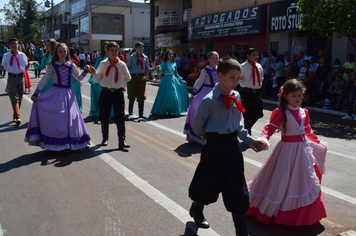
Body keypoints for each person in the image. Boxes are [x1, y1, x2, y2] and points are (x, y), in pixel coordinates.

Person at [188, 57, 265, 236]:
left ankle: (241, 230)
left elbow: (238, 125)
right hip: (214, 146)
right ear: (220, 75)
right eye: (232, 77)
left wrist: (250, 141)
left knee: (236, 186)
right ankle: (197, 209)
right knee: (207, 182)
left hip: (232, 146)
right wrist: (213, 138)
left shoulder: (237, 96)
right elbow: (198, 126)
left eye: (238, 78)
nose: (236, 82)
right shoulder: (209, 101)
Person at [247, 79, 328, 226]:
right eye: (294, 95)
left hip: (302, 151)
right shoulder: (281, 112)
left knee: (304, 179)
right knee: (281, 179)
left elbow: (308, 130)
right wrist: (264, 139)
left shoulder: (304, 112)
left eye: (300, 95)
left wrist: (318, 142)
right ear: (285, 96)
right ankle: (277, 213)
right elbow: (269, 128)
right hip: (286, 151)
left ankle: (304, 215)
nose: (298, 99)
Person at [24, 43, 91, 151]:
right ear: (57, 53)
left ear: (67, 52)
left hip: (69, 95)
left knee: (72, 119)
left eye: (64, 51)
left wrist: (85, 71)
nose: (62, 53)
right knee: (59, 119)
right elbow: (45, 79)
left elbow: (78, 78)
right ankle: (60, 144)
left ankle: (70, 142)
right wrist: (36, 93)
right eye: (60, 51)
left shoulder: (71, 65)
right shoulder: (53, 65)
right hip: (56, 94)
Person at [87, 41, 131, 149]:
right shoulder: (103, 64)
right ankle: (105, 138)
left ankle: (122, 140)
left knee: (120, 116)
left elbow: (128, 77)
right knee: (104, 116)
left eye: (116, 50)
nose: (114, 52)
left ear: (118, 51)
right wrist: (94, 73)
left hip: (117, 93)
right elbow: (97, 79)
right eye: (112, 50)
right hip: (106, 92)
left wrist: (120, 82)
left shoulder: (121, 64)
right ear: (108, 51)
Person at [184, 51, 219, 144]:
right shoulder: (205, 70)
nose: (215, 60)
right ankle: (202, 136)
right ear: (209, 60)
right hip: (206, 93)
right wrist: (193, 93)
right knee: (203, 114)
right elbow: (200, 82)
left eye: (217, 58)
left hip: (218, 93)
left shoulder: (220, 70)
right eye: (213, 58)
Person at [0, 38, 29, 126]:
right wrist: (1, 66)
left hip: (20, 77)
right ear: (9, 45)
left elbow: (26, 66)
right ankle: (18, 117)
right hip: (11, 78)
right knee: (14, 98)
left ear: (18, 45)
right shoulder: (6, 55)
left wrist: (30, 64)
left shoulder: (22, 55)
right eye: (12, 44)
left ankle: (15, 115)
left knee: (19, 98)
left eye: (15, 44)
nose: (14, 45)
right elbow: (3, 66)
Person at [151, 50, 189, 116]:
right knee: (166, 96)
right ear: (166, 55)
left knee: (174, 96)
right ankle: (164, 109)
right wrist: (157, 69)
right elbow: (160, 69)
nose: (171, 55)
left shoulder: (174, 64)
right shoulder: (164, 63)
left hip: (173, 81)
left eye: (172, 54)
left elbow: (176, 74)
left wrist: (181, 80)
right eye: (169, 54)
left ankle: (172, 110)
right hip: (166, 80)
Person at [126, 41, 158, 118]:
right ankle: (130, 111)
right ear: (136, 48)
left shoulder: (145, 58)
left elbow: (147, 68)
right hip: (133, 77)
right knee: (132, 94)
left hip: (142, 77)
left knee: (141, 95)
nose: (141, 49)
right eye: (139, 47)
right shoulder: (132, 57)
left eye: (142, 47)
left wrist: (153, 69)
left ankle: (141, 113)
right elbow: (127, 67)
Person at [239, 48, 264, 135]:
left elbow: (261, 78)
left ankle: (247, 128)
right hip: (246, 92)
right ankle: (247, 132)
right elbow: (239, 79)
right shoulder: (243, 66)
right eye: (254, 55)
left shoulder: (259, 66)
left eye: (257, 55)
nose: (256, 56)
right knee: (248, 114)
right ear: (248, 56)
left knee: (258, 113)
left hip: (257, 92)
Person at [88, 41, 109, 117]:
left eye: (108, 46)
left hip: (110, 80)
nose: (107, 48)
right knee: (101, 97)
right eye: (105, 46)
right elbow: (95, 68)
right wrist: (91, 78)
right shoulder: (100, 57)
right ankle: (101, 112)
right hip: (101, 79)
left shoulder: (112, 57)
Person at [69, 47, 83, 113]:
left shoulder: (67, 56)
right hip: (74, 76)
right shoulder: (74, 56)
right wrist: (76, 65)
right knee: (76, 94)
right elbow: (79, 61)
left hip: (70, 76)